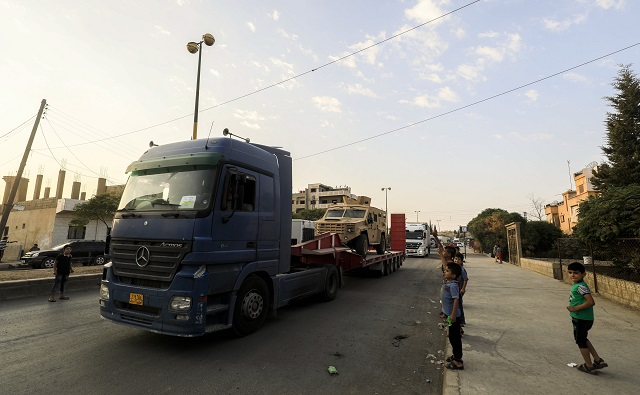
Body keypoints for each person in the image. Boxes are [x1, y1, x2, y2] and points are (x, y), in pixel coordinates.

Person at [566, 261, 607, 375]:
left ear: (583, 274)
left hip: (581, 319)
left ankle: (588, 366)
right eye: (570, 272)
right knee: (583, 338)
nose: (572, 275)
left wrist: (576, 308)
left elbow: (591, 302)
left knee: (580, 341)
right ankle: (598, 360)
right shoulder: (579, 286)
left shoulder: (580, 287)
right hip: (583, 318)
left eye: (576, 273)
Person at [442, 262, 464, 370]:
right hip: (450, 317)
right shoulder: (449, 282)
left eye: (447, 271)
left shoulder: (454, 285)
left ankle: (458, 361)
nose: (444, 272)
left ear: (454, 275)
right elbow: (444, 263)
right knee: (451, 336)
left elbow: (456, 300)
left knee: (455, 338)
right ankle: (456, 356)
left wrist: (453, 315)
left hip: (453, 317)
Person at [454, 252, 468, 333]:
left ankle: (461, 321)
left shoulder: (462, 269)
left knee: (459, 305)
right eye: (455, 259)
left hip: (459, 290)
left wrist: (463, 289)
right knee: (457, 305)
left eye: (459, 259)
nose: (457, 260)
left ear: (461, 261)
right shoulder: (454, 268)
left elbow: (465, 279)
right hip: (455, 289)